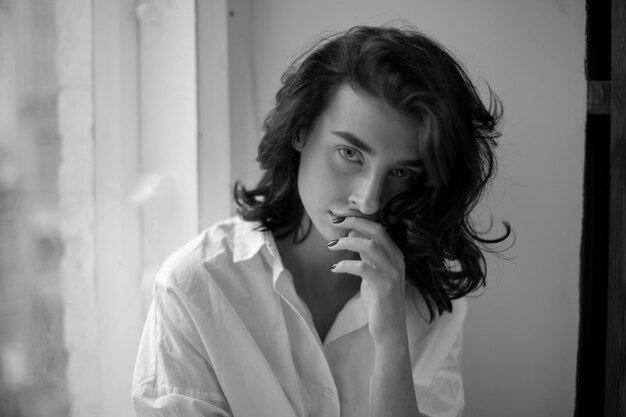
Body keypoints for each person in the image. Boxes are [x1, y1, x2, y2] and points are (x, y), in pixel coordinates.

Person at [132, 25, 510, 417]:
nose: (368, 199)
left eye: (402, 173)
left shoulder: (432, 303)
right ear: (300, 130)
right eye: (350, 153)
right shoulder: (197, 286)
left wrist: (392, 344)